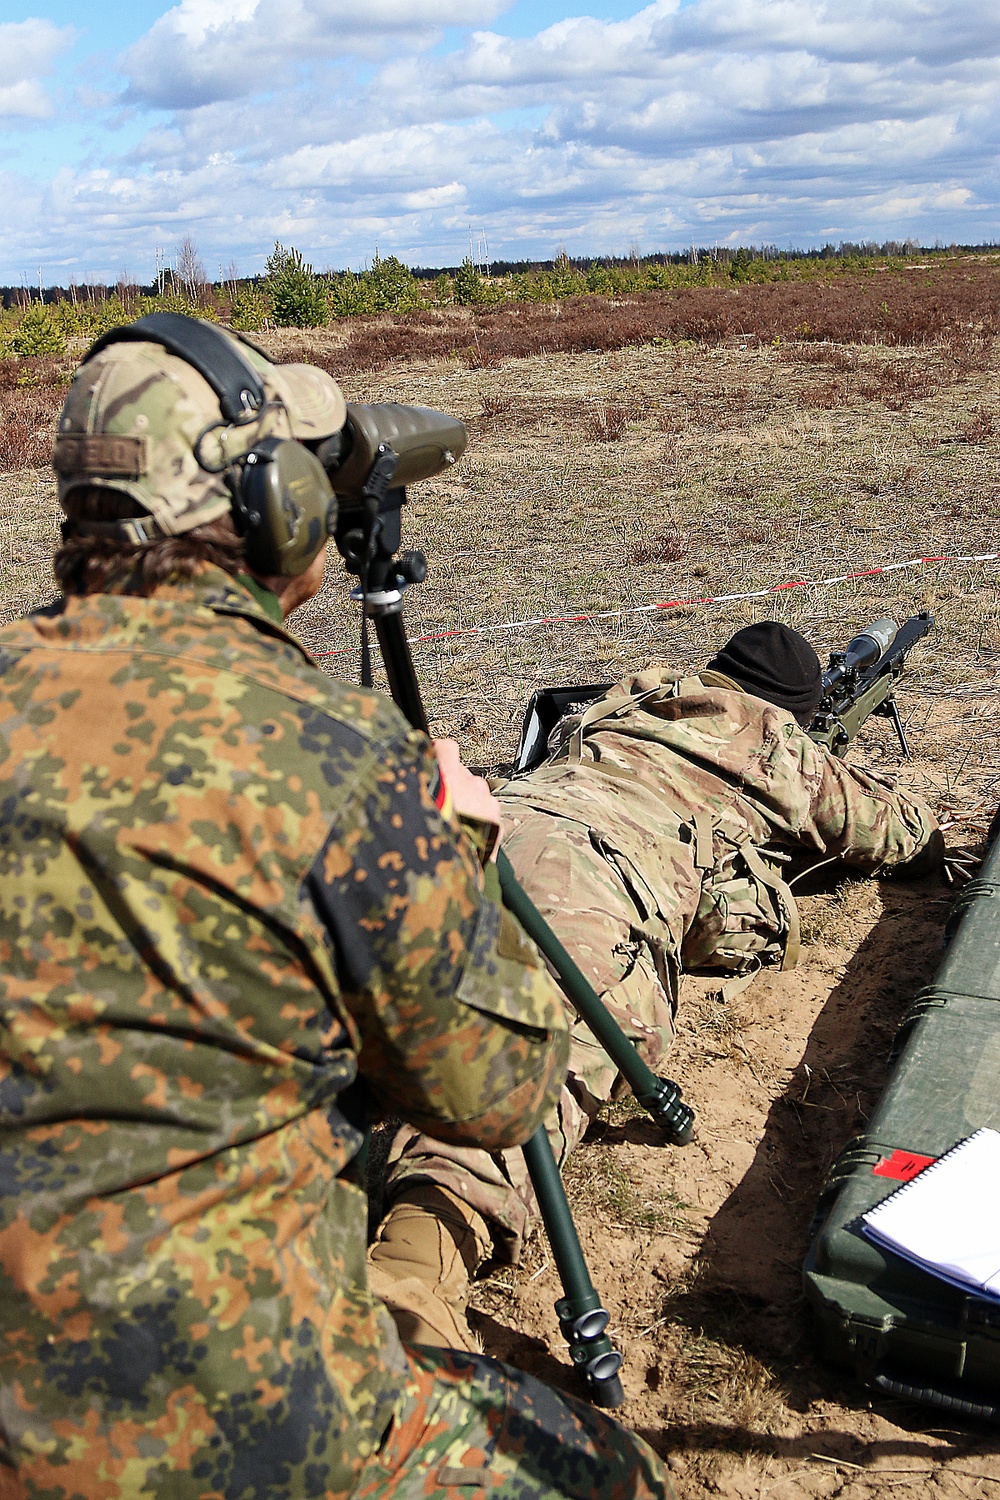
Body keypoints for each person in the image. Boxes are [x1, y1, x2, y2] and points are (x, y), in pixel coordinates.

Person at [0, 318, 673, 1499]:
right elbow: (498, 1092)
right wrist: (456, 850)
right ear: (273, 507)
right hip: (234, 1434)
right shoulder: (333, 757)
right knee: (614, 1476)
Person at [370, 620, 943, 1349]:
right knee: (533, 1059)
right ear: (790, 711)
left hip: (484, 823)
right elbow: (906, 836)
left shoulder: (635, 701)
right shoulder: (770, 738)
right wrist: (818, 770)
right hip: (587, 875)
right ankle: (408, 1280)